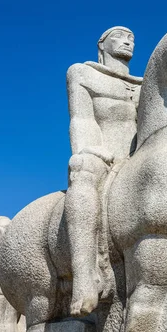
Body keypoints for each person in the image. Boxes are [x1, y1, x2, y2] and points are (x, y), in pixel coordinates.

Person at [64, 26, 142, 316]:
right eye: (120, 36)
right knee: (81, 169)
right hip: (103, 155)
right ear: (102, 44)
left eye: (132, 38)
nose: (127, 41)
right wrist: (89, 150)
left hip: (141, 157)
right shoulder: (83, 73)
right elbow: (82, 119)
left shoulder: (147, 83)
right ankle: (84, 275)